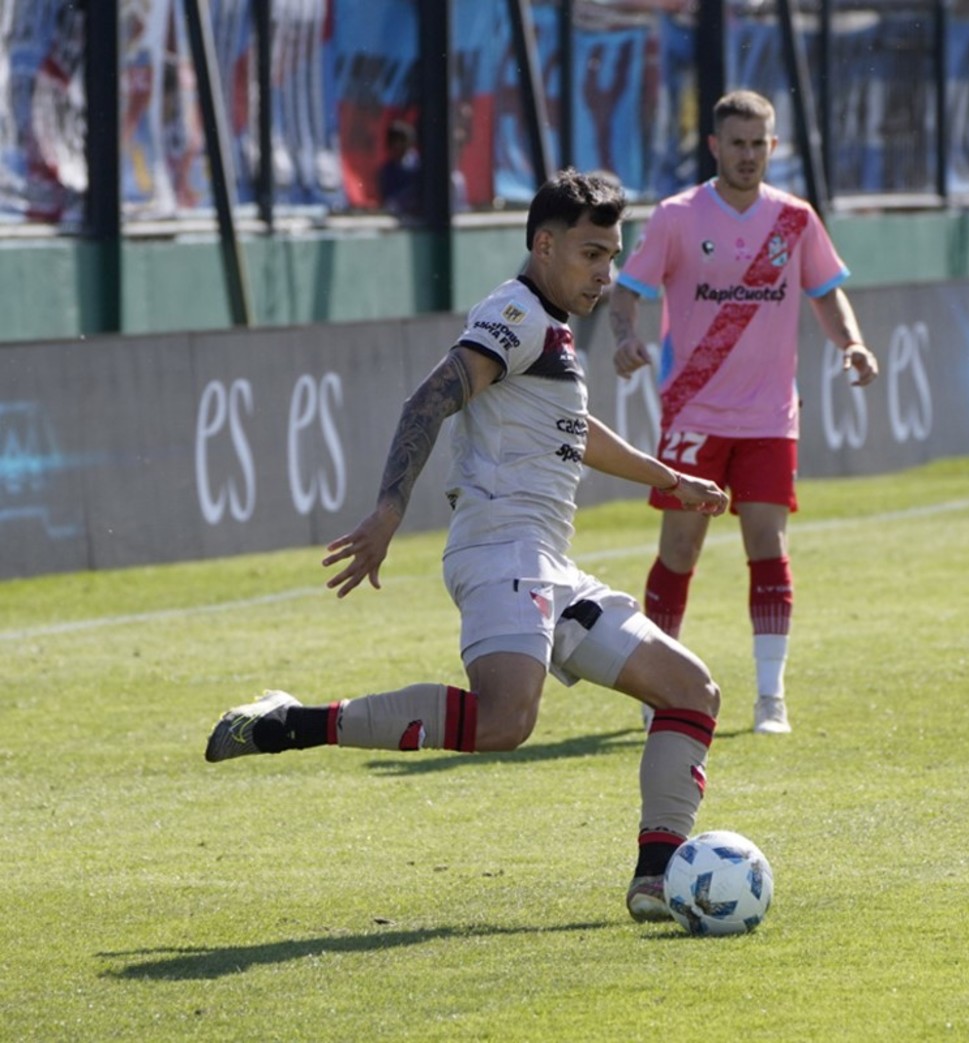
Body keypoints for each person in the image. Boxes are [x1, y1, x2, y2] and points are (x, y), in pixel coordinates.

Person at [203, 169, 731, 923]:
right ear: (542, 245)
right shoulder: (514, 313)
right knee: (504, 722)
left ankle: (655, 878)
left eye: (611, 256)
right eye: (589, 254)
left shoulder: (550, 329)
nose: (603, 274)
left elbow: (575, 432)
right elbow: (432, 397)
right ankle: (288, 721)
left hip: (548, 563)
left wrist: (665, 477)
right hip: (500, 554)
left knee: (690, 690)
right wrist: (388, 510)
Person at [607, 89, 879, 736]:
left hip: (767, 416)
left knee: (767, 541)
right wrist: (623, 338)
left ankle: (769, 698)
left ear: (773, 147)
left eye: (759, 144)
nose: (748, 155)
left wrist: (854, 343)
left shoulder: (794, 219)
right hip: (693, 409)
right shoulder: (676, 217)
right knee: (679, 547)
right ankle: (655, 687)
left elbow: (826, 294)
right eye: (737, 143)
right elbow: (626, 291)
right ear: (714, 147)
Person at [378, 119, 421, 216]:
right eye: (394, 141)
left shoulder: (421, 168)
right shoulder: (386, 171)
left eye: (402, 141)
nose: (397, 146)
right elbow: (388, 201)